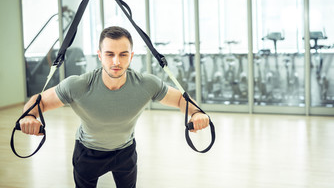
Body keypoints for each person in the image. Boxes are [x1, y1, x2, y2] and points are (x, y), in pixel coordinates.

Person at [19, 26, 209, 188]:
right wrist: (28, 117)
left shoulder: (146, 84)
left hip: (126, 152)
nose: (116, 61)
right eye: (109, 54)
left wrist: (196, 112)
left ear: (131, 56)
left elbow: (180, 99)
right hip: (88, 153)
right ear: (100, 55)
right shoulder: (78, 85)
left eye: (123, 54)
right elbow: (40, 101)